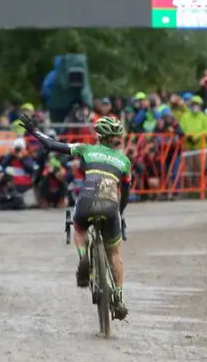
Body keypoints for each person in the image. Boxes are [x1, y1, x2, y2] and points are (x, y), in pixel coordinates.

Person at [18, 115, 131, 321]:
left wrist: (34, 131)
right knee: (114, 252)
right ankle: (120, 298)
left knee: (78, 230)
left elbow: (52, 145)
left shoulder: (85, 149)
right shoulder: (124, 161)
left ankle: (83, 258)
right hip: (110, 206)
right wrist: (120, 213)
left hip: (86, 203)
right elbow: (126, 192)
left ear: (99, 136)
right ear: (117, 139)